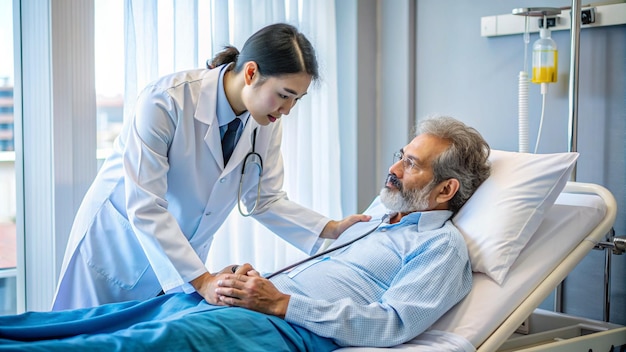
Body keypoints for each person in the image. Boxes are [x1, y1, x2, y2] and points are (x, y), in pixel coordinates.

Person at [3, 116, 490, 350]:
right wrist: (252, 283)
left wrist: (279, 303)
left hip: (283, 326)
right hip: (246, 300)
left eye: (409, 164)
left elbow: (392, 324)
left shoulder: (440, 248)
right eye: (400, 154)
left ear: (446, 188)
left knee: (140, 344)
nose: (393, 168)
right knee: (97, 321)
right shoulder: (378, 221)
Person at [51, 23, 369, 311]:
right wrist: (202, 280)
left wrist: (331, 229)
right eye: (283, 95)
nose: (286, 110)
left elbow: (263, 199)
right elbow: (146, 206)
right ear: (251, 73)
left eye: (296, 100)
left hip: (181, 263)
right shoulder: (165, 102)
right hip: (117, 251)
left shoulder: (265, 121)